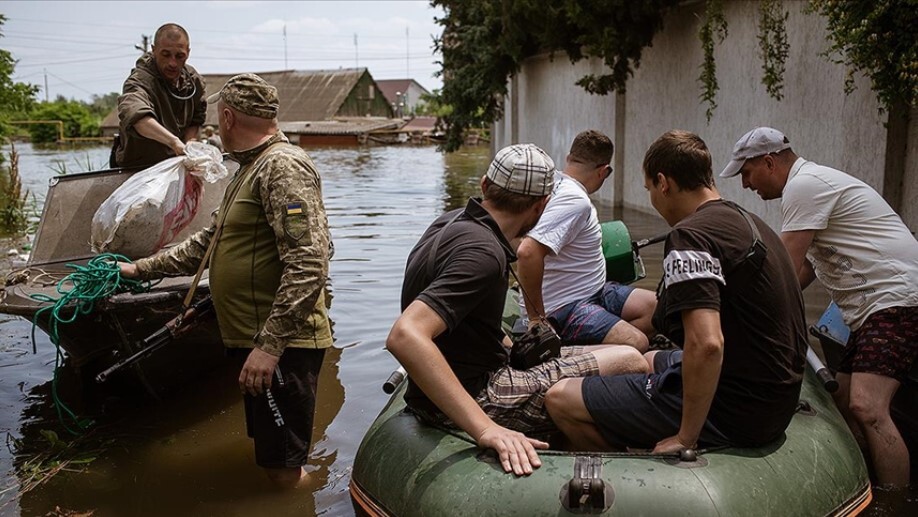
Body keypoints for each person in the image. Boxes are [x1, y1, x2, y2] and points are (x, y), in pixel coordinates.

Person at [119, 73, 332, 488]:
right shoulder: (249, 168)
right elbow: (208, 243)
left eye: (218, 118)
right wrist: (139, 269)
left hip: (282, 347)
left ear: (229, 117)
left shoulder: (283, 167)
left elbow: (309, 262)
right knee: (273, 461)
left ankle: (329, 500)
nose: (216, 126)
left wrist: (269, 348)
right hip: (259, 341)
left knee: (282, 474)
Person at [386, 143, 650, 477]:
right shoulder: (483, 254)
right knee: (632, 360)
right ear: (543, 204)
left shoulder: (449, 222)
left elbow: (468, 324)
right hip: (480, 393)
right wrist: (485, 429)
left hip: (471, 374)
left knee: (608, 352)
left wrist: (517, 348)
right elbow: (405, 335)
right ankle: (610, 465)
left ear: (484, 186)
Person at [545, 130, 808, 454]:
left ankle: (627, 465)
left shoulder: (690, 237)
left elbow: (708, 344)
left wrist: (686, 436)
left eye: (649, 190)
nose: (653, 200)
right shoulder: (748, 221)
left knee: (559, 399)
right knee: (648, 357)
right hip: (773, 399)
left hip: (736, 410)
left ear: (663, 182)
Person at [721, 126, 918, 487]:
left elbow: (778, 266)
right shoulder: (809, 187)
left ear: (768, 161)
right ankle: (862, 483)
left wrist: (739, 311)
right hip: (871, 308)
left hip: (895, 300)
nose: (746, 185)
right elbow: (803, 270)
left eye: (746, 173)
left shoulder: (805, 186)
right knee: (843, 402)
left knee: (869, 408)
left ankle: (894, 500)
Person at [516, 130, 656, 352]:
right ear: (604, 172)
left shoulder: (553, 185)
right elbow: (527, 252)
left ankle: (595, 345)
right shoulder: (575, 200)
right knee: (637, 343)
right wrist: (536, 320)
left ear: (568, 159)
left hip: (595, 291)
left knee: (657, 308)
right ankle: (562, 352)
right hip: (565, 307)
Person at [112, 23, 206, 168]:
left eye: (180, 56)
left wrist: (189, 146)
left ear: (188, 52)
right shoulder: (138, 81)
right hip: (138, 169)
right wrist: (174, 143)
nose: (172, 63)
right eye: (166, 54)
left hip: (177, 166)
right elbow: (137, 116)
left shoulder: (194, 81)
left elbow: (196, 119)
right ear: (154, 50)